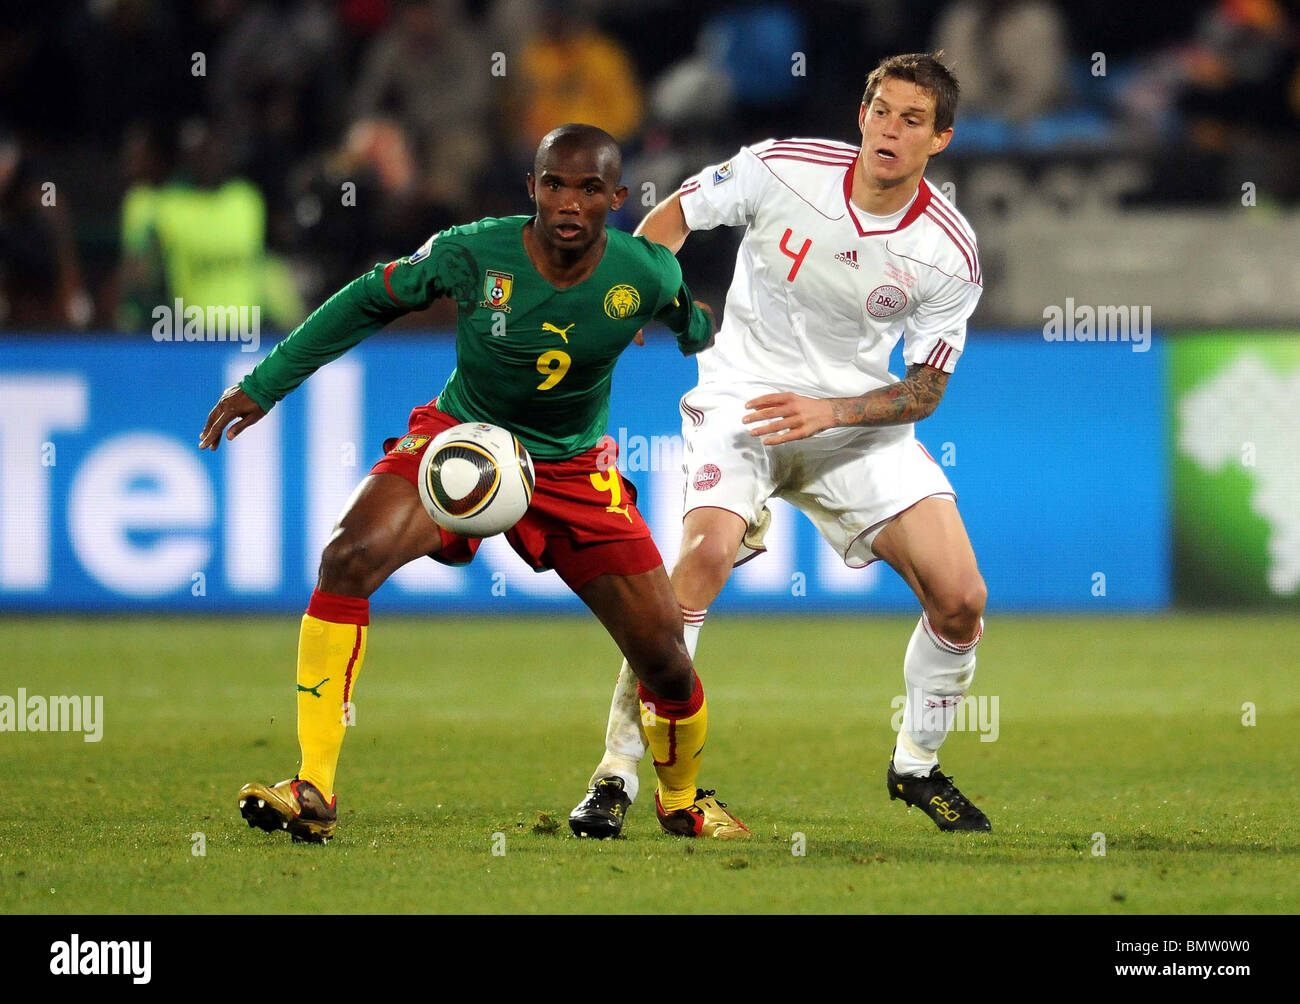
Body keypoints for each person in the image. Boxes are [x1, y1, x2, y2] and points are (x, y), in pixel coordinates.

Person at [199, 124, 749, 843]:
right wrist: (267, 383)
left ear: (617, 198)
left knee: (667, 659)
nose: (569, 203)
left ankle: (681, 800)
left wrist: (691, 333)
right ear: (532, 188)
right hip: (462, 443)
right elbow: (370, 298)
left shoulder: (644, 272)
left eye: (589, 189)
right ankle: (313, 787)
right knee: (347, 556)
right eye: (554, 184)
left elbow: (687, 317)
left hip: (574, 469)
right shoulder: (472, 251)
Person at [570, 53, 992, 838]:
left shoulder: (947, 250)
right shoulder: (780, 166)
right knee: (696, 563)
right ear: (860, 113)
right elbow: (672, 222)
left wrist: (829, 412)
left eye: (911, 120)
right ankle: (616, 774)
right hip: (744, 399)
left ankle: (916, 766)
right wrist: (632, 302)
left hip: (850, 424)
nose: (888, 131)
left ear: (941, 139)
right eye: (880, 110)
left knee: (962, 599)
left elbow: (924, 392)